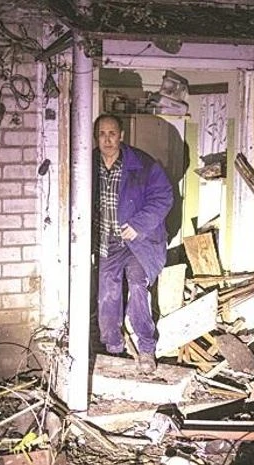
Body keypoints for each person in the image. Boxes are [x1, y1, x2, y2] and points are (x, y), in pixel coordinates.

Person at [93, 114, 173, 374]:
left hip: (140, 241)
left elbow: (164, 196)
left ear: (122, 135)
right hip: (108, 242)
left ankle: (147, 346)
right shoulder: (88, 164)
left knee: (138, 285)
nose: (107, 139)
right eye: (102, 134)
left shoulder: (143, 163)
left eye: (112, 133)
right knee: (107, 291)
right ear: (96, 137)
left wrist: (139, 224)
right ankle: (114, 346)